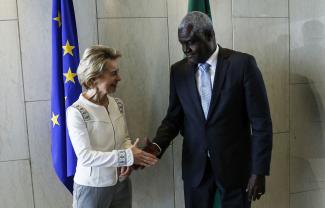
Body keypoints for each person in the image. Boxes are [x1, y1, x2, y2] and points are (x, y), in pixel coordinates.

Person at [142, 11, 273, 208]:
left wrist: (259, 170)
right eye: (182, 44)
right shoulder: (178, 71)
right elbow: (173, 119)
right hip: (196, 169)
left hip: (235, 169)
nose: (186, 49)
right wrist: (156, 147)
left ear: (210, 36)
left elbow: (261, 122)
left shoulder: (242, 65)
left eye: (190, 42)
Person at [66, 45, 158, 208]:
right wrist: (127, 156)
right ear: (93, 79)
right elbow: (85, 156)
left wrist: (131, 157)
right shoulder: (76, 112)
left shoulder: (118, 104)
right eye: (113, 73)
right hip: (91, 188)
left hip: (121, 184)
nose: (119, 78)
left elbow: (124, 140)